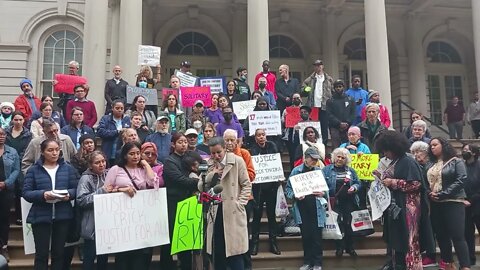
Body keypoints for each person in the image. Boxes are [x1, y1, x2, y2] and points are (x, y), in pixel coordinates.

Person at [375, 131, 435, 270]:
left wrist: (393, 182)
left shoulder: (408, 161)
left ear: (394, 148)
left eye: (386, 150)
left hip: (410, 208)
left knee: (410, 241)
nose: (385, 154)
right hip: (399, 206)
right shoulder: (398, 161)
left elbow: (416, 184)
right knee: (400, 240)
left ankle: (412, 267)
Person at [23, 138, 79, 270]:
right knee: (41, 255)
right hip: (41, 216)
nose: (54, 153)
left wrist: (68, 195)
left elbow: (77, 188)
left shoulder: (68, 169)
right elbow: (26, 192)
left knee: (59, 254)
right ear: (42, 152)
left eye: (57, 150)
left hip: (62, 216)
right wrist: (43, 195)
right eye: (50, 150)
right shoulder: (34, 170)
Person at [104, 141, 158, 270]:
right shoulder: (116, 169)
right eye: (132, 154)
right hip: (121, 219)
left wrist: (145, 164)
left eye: (138, 153)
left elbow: (153, 182)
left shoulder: (143, 169)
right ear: (124, 156)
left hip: (141, 218)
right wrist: (121, 190)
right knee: (123, 256)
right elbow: (106, 190)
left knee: (140, 256)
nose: (135, 156)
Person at [200, 136, 252, 270]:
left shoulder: (238, 161)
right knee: (218, 251)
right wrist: (213, 174)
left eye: (219, 152)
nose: (216, 156)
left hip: (232, 211)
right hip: (215, 211)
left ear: (225, 149)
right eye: (213, 153)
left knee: (235, 253)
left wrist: (239, 203)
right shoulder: (208, 164)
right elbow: (200, 186)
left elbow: (246, 184)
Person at [427, 137, 470, 270]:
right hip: (435, 204)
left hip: (453, 202)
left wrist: (443, 193)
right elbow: (426, 182)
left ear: (443, 145)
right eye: (431, 145)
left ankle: (465, 266)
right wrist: (430, 193)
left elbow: (461, 179)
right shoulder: (430, 164)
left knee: (457, 236)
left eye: (435, 145)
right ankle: (448, 263)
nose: (432, 147)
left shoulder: (456, 161)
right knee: (441, 235)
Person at [161, 133, 199, 270]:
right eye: (180, 142)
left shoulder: (191, 157)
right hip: (173, 203)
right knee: (170, 240)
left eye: (185, 142)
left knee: (186, 241)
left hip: (189, 202)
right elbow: (179, 180)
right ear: (173, 144)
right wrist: (198, 182)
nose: (183, 144)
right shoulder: (170, 161)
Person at [285, 147, 327, 270]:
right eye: (312, 159)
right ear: (306, 158)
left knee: (317, 237)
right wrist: (295, 195)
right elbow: (288, 189)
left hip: (317, 207)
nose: (314, 162)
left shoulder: (319, 171)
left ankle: (318, 262)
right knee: (306, 236)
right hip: (302, 208)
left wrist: (322, 193)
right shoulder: (295, 171)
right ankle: (307, 261)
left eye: (316, 160)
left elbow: (326, 190)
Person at [76, 151, 111, 270]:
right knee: (90, 257)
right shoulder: (85, 179)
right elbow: (81, 200)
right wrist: (102, 191)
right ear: (90, 165)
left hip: (107, 224)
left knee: (103, 258)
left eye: (103, 161)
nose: (101, 164)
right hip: (92, 225)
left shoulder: (110, 175)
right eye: (97, 163)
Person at [323, 148, 361, 257]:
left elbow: (358, 183)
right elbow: (321, 183)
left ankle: (350, 247)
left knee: (348, 223)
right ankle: (339, 247)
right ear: (334, 157)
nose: (340, 159)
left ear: (346, 160)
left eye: (343, 158)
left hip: (349, 201)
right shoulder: (326, 170)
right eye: (338, 157)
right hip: (334, 201)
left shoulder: (351, 171)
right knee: (337, 223)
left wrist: (354, 188)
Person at [249, 128, 281, 256]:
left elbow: (277, 162)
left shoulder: (272, 146)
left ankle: (273, 242)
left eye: (263, 135)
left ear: (266, 136)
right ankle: (255, 243)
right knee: (256, 216)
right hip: (258, 188)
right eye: (259, 135)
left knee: (271, 216)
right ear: (255, 137)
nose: (261, 137)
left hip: (271, 187)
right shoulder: (252, 149)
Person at [6, 111, 32, 225]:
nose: (18, 122)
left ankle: (19, 215)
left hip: (21, 163)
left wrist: (17, 158)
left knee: (20, 190)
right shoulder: (6, 133)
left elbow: (27, 150)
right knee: (8, 190)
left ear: (24, 120)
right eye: (16, 119)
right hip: (7, 163)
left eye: (20, 119)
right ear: (12, 120)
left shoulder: (28, 134)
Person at [302, 59, 333, 145]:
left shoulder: (329, 79)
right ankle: (313, 144)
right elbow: (302, 90)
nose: (318, 67)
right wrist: (306, 90)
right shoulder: (310, 79)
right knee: (313, 126)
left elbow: (333, 92)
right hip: (313, 106)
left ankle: (324, 144)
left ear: (322, 66)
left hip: (325, 106)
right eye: (316, 65)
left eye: (319, 65)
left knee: (324, 127)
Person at [0, 127, 20, 261]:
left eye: (3, 134)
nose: (1, 136)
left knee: (4, 219)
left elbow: (16, 170)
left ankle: (4, 247)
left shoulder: (12, 151)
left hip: (6, 190)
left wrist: (6, 183)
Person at [462, 144, 480, 266]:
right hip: (463, 204)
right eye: (463, 150)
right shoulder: (461, 166)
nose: (464, 152)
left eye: (467, 150)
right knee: (467, 234)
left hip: (477, 203)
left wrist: (472, 200)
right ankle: (470, 259)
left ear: (474, 153)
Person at [97, 100, 131, 165]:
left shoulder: (126, 119)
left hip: (122, 152)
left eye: (122, 108)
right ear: (112, 108)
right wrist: (117, 132)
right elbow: (100, 132)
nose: (120, 110)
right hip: (108, 150)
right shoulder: (105, 119)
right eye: (117, 108)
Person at [326, 79, 356, 148]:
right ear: (334, 88)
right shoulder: (330, 101)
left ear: (343, 87)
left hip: (347, 127)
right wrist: (339, 123)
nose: (338, 88)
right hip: (334, 128)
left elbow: (353, 113)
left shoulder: (350, 99)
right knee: (336, 148)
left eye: (340, 86)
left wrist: (347, 123)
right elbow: (329, 115)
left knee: (349, 147)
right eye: (336, 87)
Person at [281, 93, 303, 169]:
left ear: (301, 99)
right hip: (290, 135)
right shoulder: (286, 110)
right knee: (292, 154)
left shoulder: (304, 110)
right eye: (294, 98)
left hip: (302, 135)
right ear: (292, 100)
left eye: (298, 98)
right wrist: (286, 118)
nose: (296, 99)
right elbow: (282, 122)